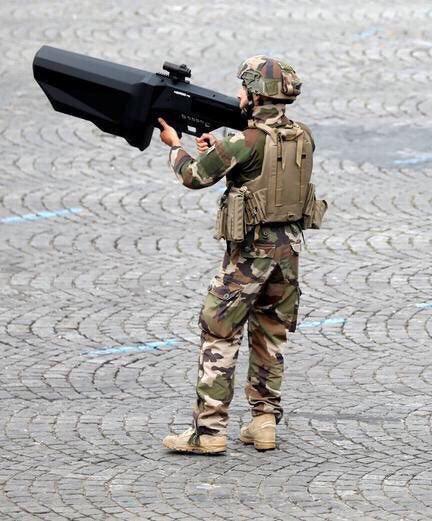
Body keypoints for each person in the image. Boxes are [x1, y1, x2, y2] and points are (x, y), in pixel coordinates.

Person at [158, 55, 327, 455]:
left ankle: (209, 432)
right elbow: (265, 168)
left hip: (250, 256)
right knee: (271, 330)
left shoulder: (243, 140)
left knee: (218, 330)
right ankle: (263, 421)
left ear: (254, 94)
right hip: (289, 253)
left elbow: (194, 177)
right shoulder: (303, 135)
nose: (237, 95)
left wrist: (174, 148)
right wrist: (220, 147)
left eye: (243, 89)